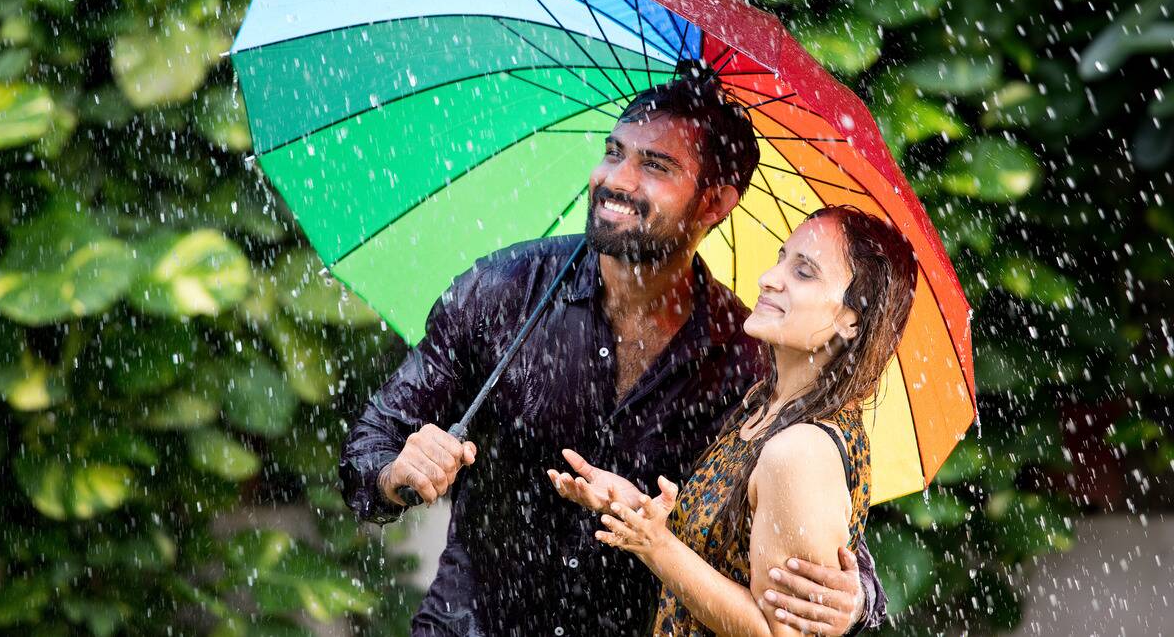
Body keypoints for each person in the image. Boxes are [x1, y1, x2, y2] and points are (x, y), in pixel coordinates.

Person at [339, 70, 888, 636]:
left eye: (656, 165)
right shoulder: (502, 292)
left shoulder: (743, 356)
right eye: (613, 152)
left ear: (715, 203)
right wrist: (394, 473)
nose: (615, 180)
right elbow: (366, 452)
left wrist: (857, 599)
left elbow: (819, 522)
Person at [550, 205, 917, 636]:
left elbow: (781, 635)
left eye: (804, 272)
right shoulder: (763, 405)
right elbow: (727, 559)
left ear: (850, 320)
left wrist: (656, 545)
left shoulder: (800, 451)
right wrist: (639, 513)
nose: (769, 278)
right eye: (782, 258)